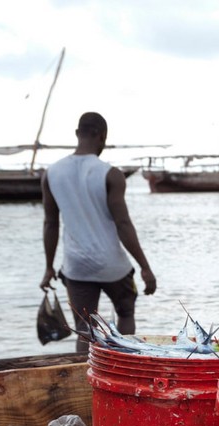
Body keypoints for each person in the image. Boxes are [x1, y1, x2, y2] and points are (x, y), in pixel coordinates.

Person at [41, 112, 156, 352]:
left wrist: (49, 267)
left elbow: (50, 224)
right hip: (112, 265)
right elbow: (123, 224)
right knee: (125, 311)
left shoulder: (51, 174)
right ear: (102, 136)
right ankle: (123, 362)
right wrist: (145, 267)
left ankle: (83, 378)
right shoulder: (110, 174)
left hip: (76, 267)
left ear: (77, 134)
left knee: (84, 329)